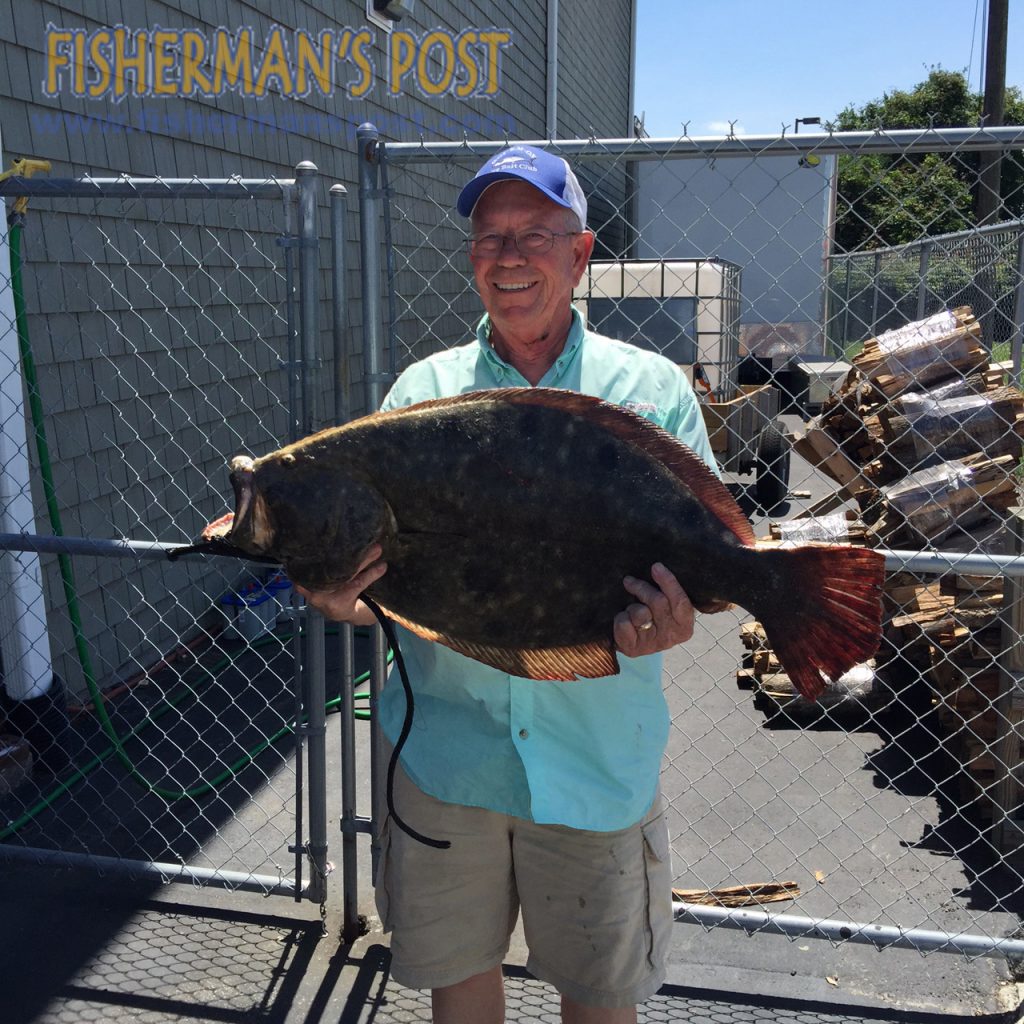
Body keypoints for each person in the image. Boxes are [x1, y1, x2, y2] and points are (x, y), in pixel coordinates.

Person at [296, 145, 718, 1024]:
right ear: (471, 259)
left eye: (535, 234)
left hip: (597, 764)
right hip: (449, 760)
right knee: (460, 985)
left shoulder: (653, 391)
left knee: (601, 999)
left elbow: (705, 557)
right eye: (490, 238)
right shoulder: (423, 393)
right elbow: (400, 569)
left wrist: (679, 617)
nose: (511, 256)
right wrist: (350, 599)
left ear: (582, 252)